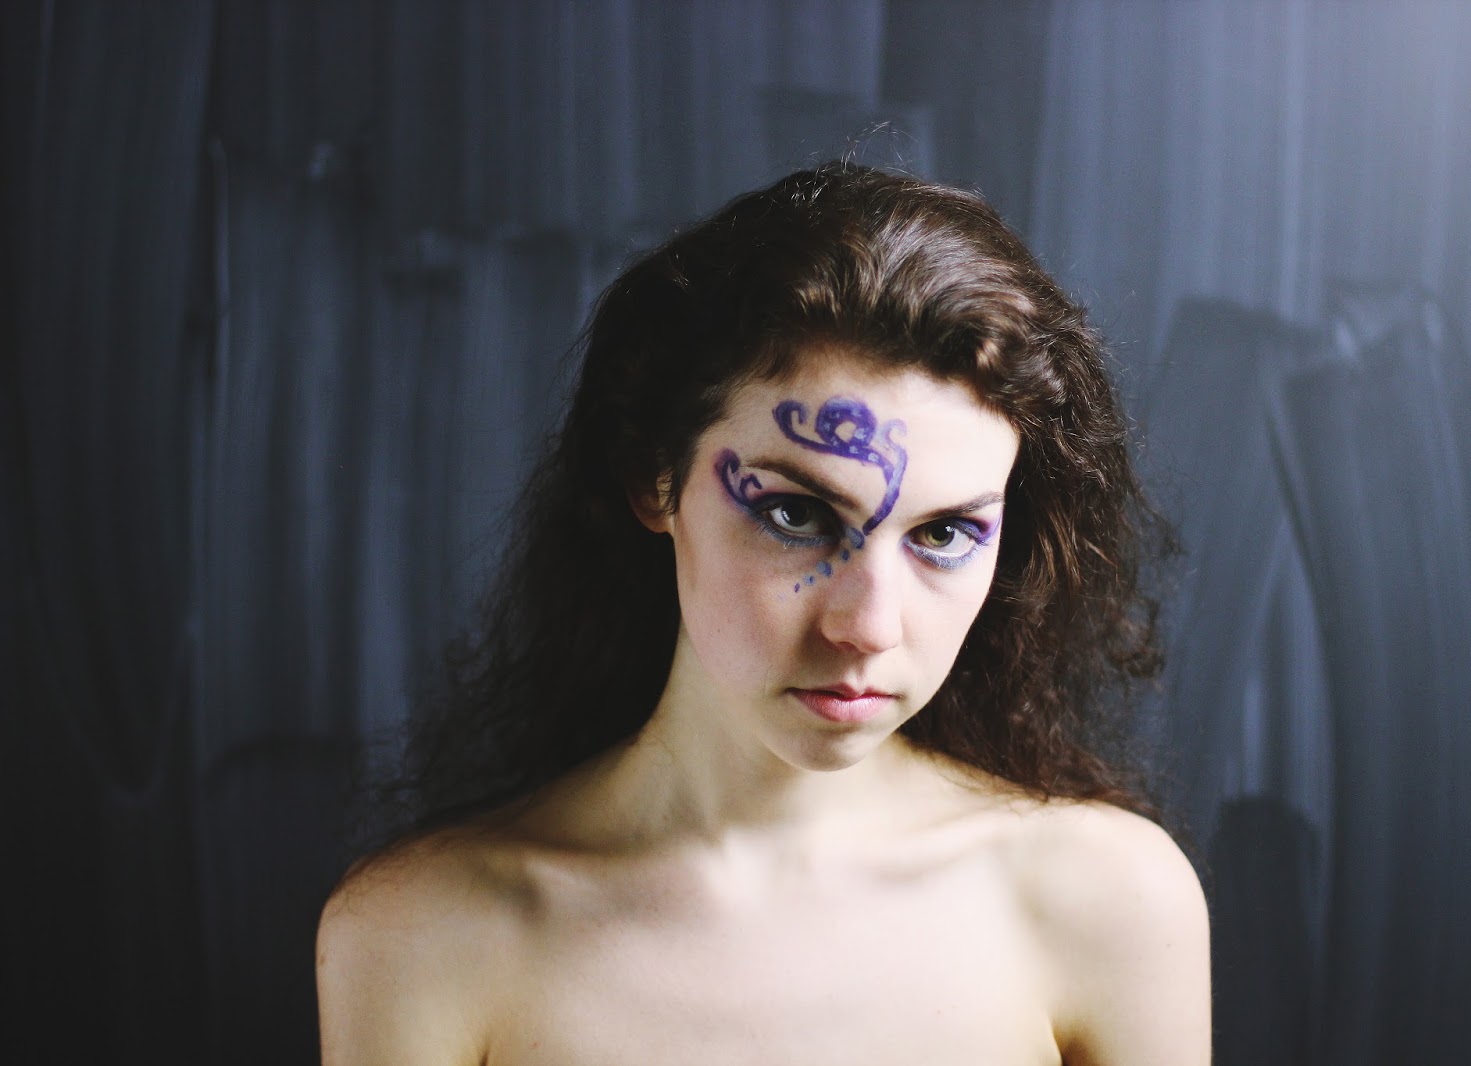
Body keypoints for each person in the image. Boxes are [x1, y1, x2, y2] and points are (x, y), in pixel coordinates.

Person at [316, 162, 1210, 1064]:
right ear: (654, 479)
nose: (869, 627)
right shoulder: (425, 940)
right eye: (796, 515)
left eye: (944, 534)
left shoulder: (1107, 905)